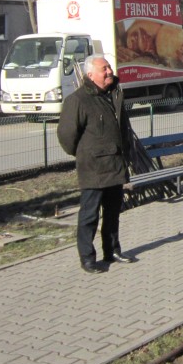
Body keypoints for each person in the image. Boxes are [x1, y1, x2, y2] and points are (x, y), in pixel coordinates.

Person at [57, 55, 135, 274]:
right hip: (93, 167)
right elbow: (66, 135)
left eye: (109, 67)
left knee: (112, 213)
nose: (109, 71)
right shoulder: (78, 100)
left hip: (115, 165)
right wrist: (84, 153)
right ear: (91, 75)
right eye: (104, 69)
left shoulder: (114, 94)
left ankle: (112, 250)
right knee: (90, 215)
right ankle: (87, 258)